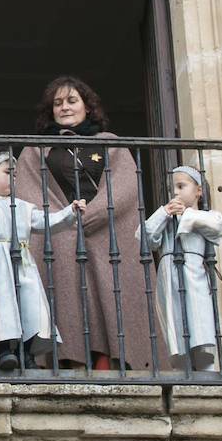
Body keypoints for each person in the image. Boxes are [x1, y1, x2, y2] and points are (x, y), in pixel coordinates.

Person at [13, 76, 155, 370]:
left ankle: (110, 364)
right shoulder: (36, 149)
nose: (64, 107)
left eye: (71, 100)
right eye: (58, 103)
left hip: (104, 232)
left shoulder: (110, 144)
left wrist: (90, 215)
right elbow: (26, 190)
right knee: (66, 300)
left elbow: (126, 185)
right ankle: (66, 363)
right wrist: (63, 221)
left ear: (87, 107)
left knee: (109, 299)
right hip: (59, 237)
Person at [0, 151, 84, 372]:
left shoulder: (22, 206)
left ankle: (27, 354)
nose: (13, 179)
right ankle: (6, 351)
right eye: (8, 173)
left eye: (15, 175)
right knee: (3, 306)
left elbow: (47, 222)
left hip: (22, 262)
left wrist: (70, 212)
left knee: (29, 305)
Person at [139, 165, 222, 372]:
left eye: (181, 186)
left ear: (198, 191)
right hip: (169, 276)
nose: (175, 192)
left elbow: (218, 224)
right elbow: (145, 237)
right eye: (172, 188)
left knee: (199, 321)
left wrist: (186, 215)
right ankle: (181, 369)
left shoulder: (205, 216)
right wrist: (163, 213)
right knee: (174, 325)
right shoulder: (166, 219)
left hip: (193, 274)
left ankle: (207, 368)